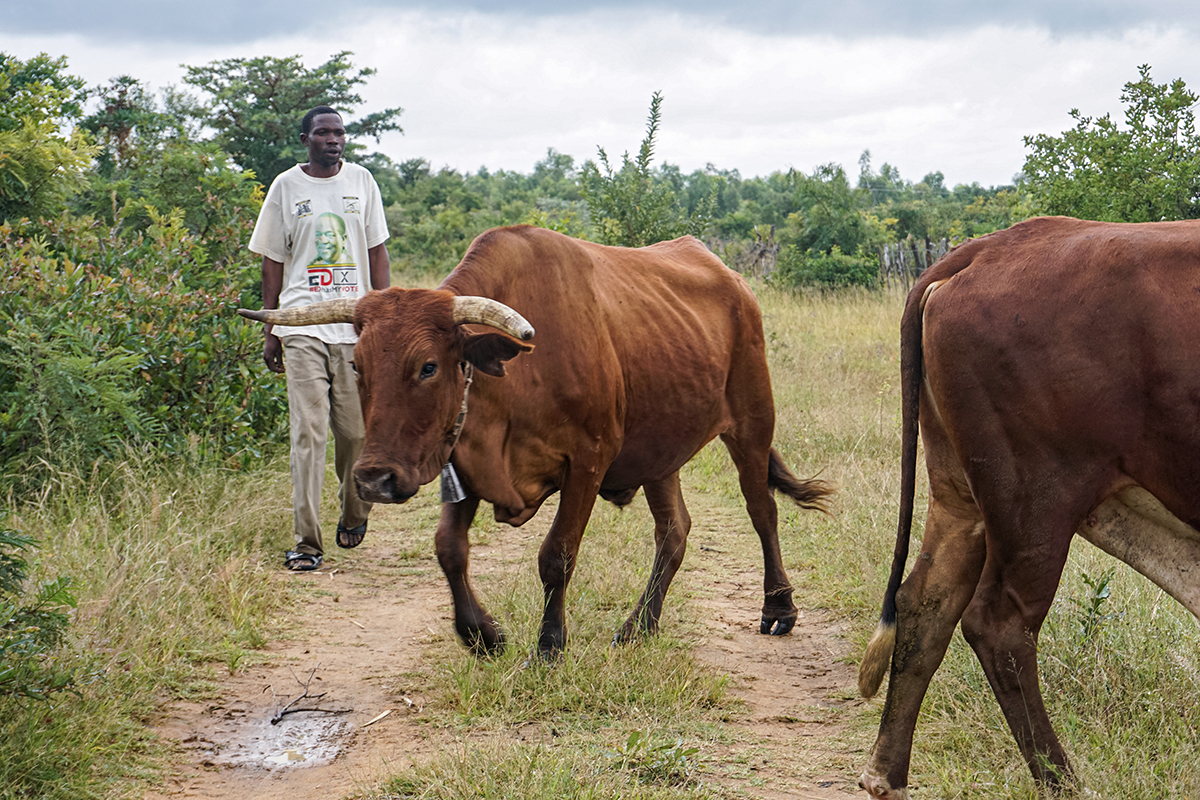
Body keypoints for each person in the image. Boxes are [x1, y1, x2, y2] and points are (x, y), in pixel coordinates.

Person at [248, 105, 391, 571]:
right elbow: (272, 259)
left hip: (353, 328)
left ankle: (355, 509)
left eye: (340, 133)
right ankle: (305, 543)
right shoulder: (287, 187)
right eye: (324, 133)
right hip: (303, 325)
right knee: (308, 435)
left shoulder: (362, 182)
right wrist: (274, 327)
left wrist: (385, 321)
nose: (334, 140)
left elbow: (376, 251)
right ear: (306, 138)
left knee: (355, 433)